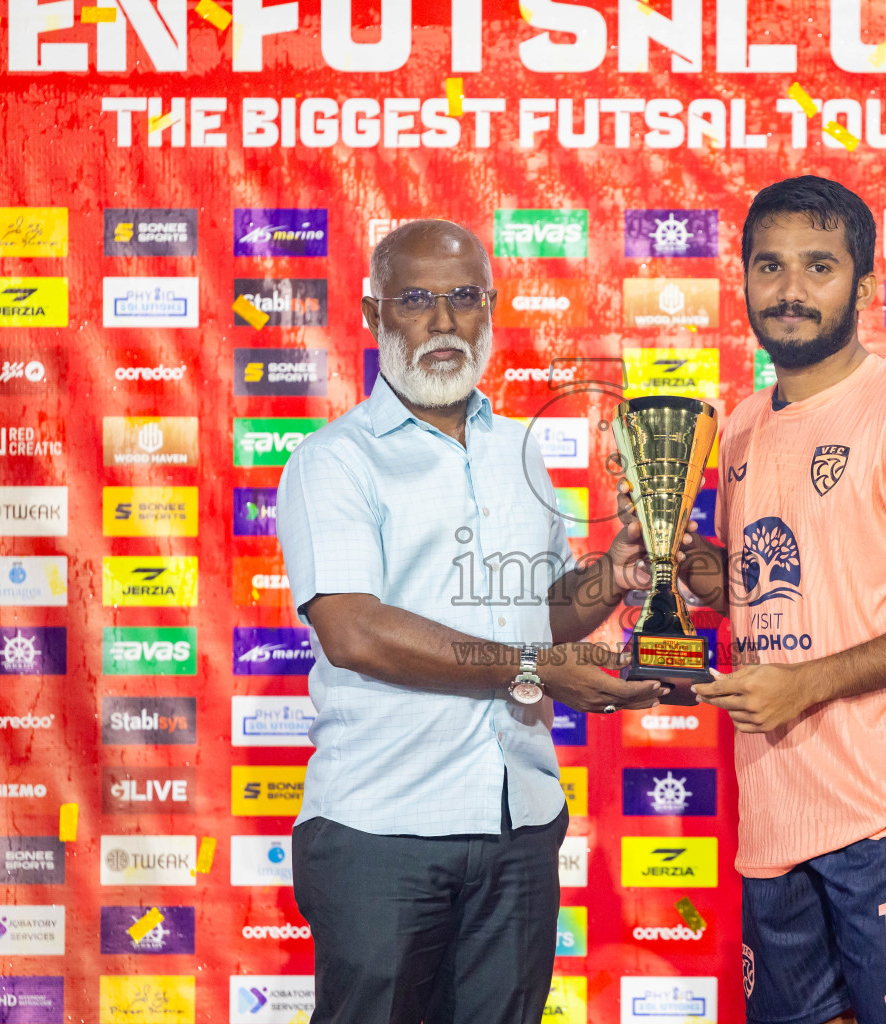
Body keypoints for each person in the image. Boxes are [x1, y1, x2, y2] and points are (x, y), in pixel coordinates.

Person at [276, 219, 678, 1024]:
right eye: (416, 300)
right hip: (379, 831)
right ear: (373, 314)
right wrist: (531, 668)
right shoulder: (334, 460)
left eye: (463, 298)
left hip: (516, 823)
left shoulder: (520, 452)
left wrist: (618, 573)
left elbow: (544, 612)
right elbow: (355, 630)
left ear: (490, 307)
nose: (444, 322)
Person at [680, 176, 886, 1023]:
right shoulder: (741, 425)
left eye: (818, 267)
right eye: (770, 266)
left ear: (863, 287)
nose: (789, 290)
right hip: (777, 822)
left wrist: (811, 682)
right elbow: (787, 582)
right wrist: (697, 576)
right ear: (743, 278)